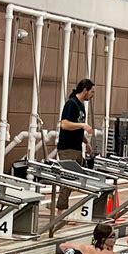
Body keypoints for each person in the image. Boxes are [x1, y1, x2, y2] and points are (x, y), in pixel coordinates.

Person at [56, 79, 95, 213]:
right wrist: (82, 125)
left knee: (74, 180)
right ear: (85, 90)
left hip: (77, 147)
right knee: (67, 179)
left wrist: (86, 142)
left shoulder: (81, 106)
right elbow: (64, 124)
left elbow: (78, 128)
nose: (92, 94)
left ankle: (62, 208)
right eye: (92, 91)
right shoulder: (71, 104)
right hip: (67, 148)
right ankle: (61, 210)